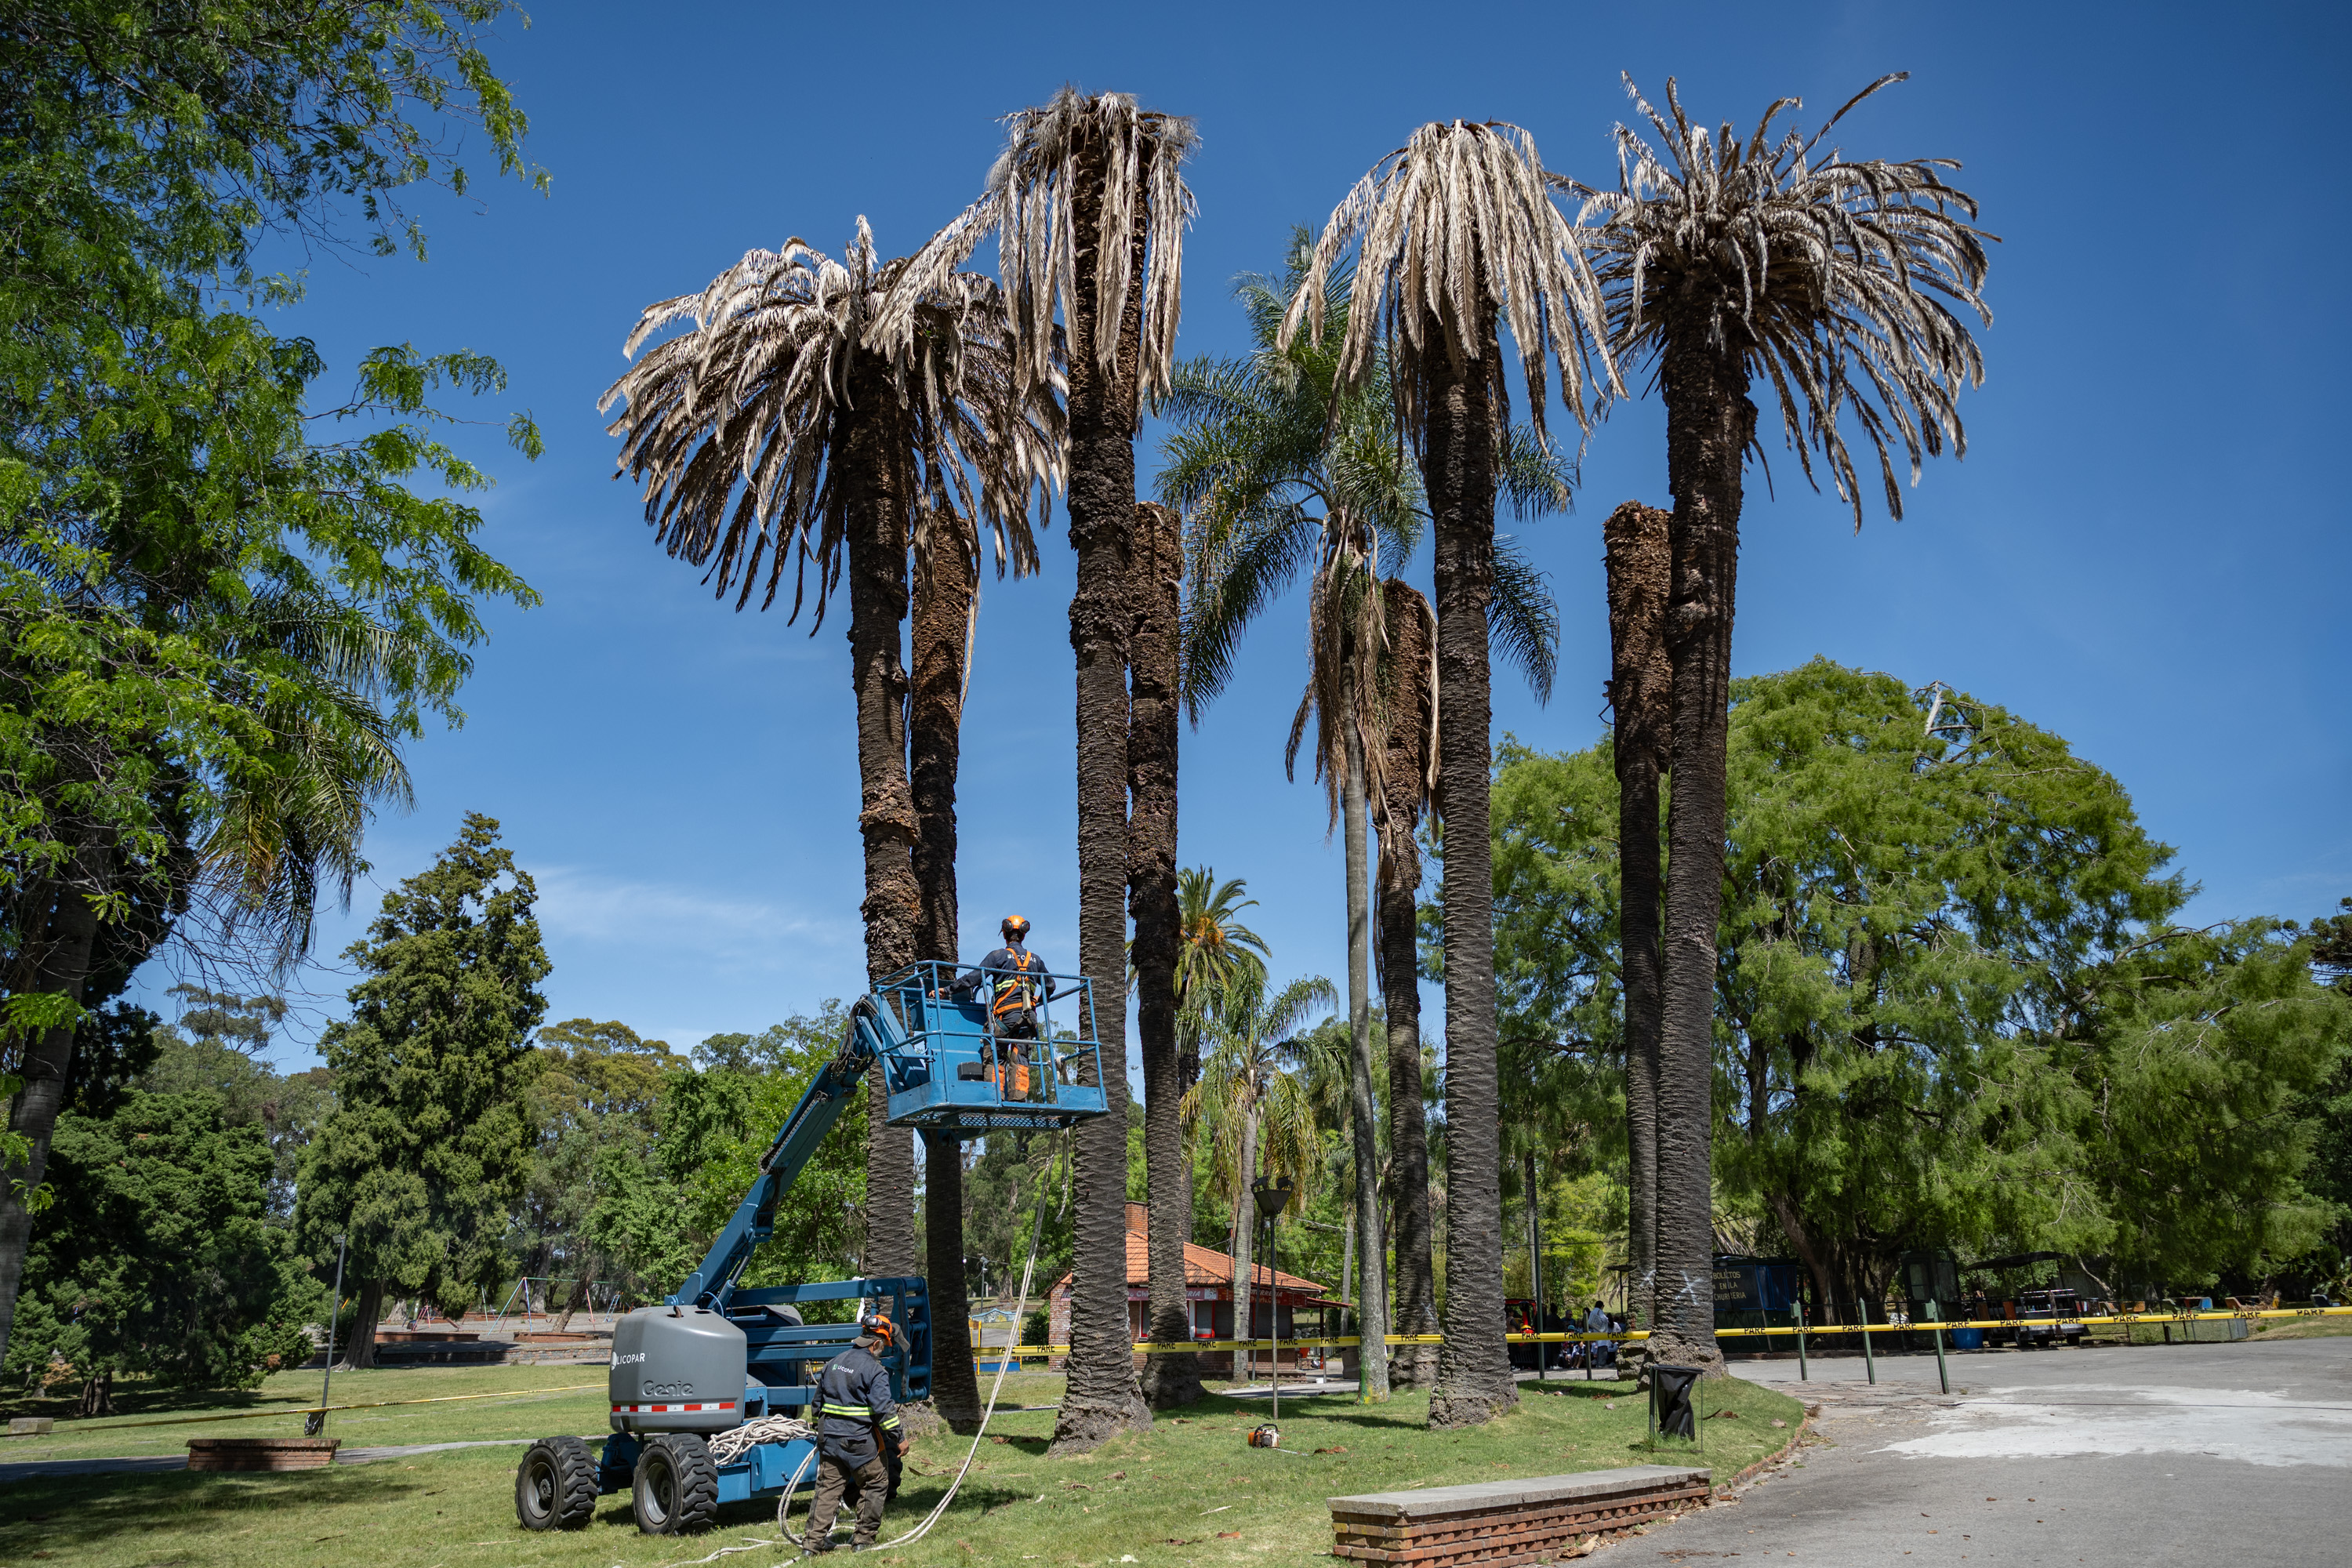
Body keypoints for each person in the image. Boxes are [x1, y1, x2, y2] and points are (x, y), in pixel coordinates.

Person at [801, 1313, 911, 1555]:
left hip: (830, 1440)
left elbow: (816, 1405)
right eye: (883, 1346)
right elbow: (884, 1411)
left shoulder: (833, 1363)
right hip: (859, 1443)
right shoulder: (875, 1371)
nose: (883, 1350)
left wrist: (821, 1432)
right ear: (875, 1344)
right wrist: (900, 1439)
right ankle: (863, 1540)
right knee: (876, 1482)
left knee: (827, 1489)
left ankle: (811, 1545)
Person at [942, 916, 1061, 1098]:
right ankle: (1018, 1099)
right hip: (1029, 1019)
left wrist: (947, 990)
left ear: (1005, 935)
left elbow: (973, 978)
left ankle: (995, 1096)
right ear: (1023, 936)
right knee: (1020, 1057)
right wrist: (1038, 999)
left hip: (1006, 1017)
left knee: (994, 1053)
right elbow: (1051, 985)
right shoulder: (1035, 960)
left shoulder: (997, 956)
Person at [1583, 1298, 1614, 1368]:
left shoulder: (1592, 1312)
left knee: (1599, 1348)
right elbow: (1604, 1319)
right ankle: (1601, 1363)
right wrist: (1607, 1319)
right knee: (1603, 1348)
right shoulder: (1600, 1311)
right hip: (1603, 1332)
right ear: (1601, 1306)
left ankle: (1599, 1363)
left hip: (1596, 1331)